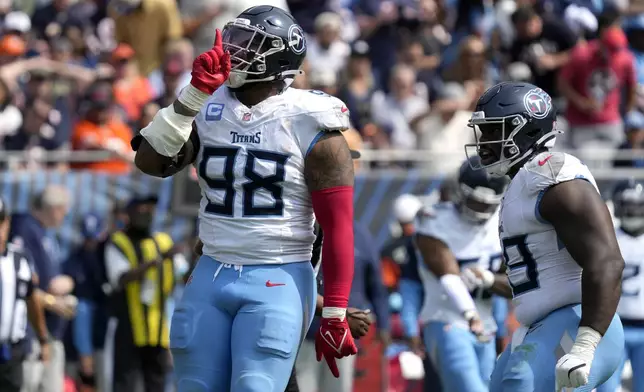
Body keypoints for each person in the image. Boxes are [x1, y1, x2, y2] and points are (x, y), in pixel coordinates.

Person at [131, 5, 357, 392]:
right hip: (212, 270)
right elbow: (150, 162)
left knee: (255, 386)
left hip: (278, 272)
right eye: (233, 38)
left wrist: (334, 312)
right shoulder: (207, 105)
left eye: (246, 42)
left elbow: (338, 227)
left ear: (278, 55)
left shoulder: (311, 118)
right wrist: (192, 95)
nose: (231, 49)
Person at [464, 81, 625, 391]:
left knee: (520, 383)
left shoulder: (551, 175)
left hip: (578, 322)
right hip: (538, 326)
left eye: (492, 130)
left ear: (524, 130)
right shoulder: (522, 184)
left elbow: (606, 261)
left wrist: (585, 344)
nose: (483, 141)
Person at [415, 157, 507, 392]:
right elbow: (448, 276)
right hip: (447, 320)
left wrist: (489, 279)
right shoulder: (434, 220)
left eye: (487, 205)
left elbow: (515, 283)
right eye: (475, 202)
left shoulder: (503, 223)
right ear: (459, 192)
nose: (481, 211)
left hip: (487, 325)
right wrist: (470, 315)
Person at [103, 196, 187, 392]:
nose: (147, 214)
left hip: (157, 329)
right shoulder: (119, 242)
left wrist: (196, 255)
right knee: (124, 383)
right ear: (129, 213)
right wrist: (155, 261)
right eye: (142, 209)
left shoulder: (163, 241)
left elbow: (183, 276)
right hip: (128, 326)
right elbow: (120, 278)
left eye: (150, 209)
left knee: (156, 383)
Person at [10, 186, 75, 392]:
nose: (64, 216)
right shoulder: (24, 228)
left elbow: (51, 279)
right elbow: (22, 284)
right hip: (33, 333)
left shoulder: (44, 233)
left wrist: (68, 283)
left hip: (49, 331)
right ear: (54, 208)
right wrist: (50, 302)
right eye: (63, 210)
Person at [597, 179, 644, 392]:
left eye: (637, 207)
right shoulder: (607, 238)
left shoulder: (607, 238)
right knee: (607, 387)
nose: (633, 213)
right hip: (612, 326)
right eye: (629, 207)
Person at [0, 197, 50, 392]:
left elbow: (32, 299)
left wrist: (43, 338)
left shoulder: (20, 259)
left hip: (11, 351)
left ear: (7, 223)